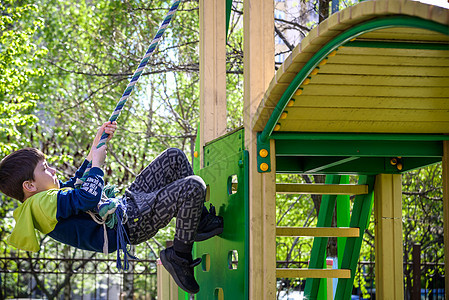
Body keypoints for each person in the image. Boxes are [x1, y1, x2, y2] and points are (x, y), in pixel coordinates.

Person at [0, 121, 223, 294]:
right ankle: (179, 256)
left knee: (173, 157)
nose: (54, 172)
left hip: (128, 208)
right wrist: (98, 163)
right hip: (130, 224)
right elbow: (87, 197)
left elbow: (78, 182)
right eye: (45, 169)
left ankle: (199, 223)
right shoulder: (40, 204)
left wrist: (98, 143)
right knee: (193, 187)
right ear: (29, 185)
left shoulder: (46, 200)